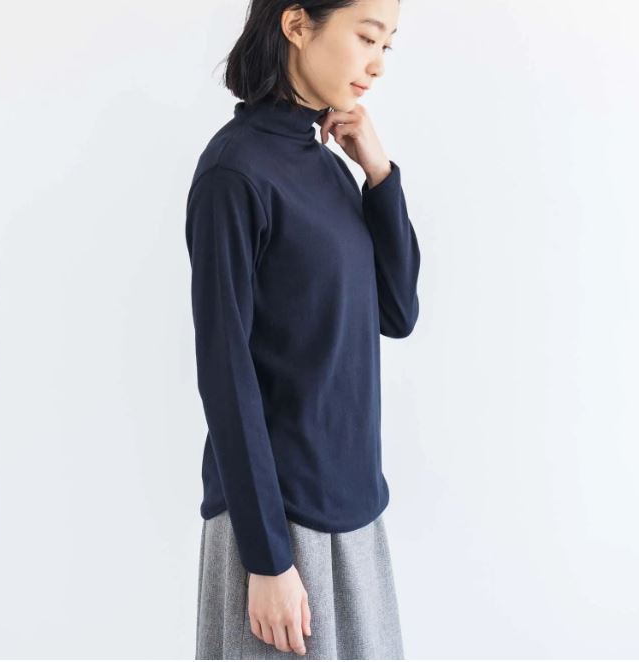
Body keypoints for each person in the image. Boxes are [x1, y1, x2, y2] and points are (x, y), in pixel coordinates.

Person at [185, 0, 419, 658]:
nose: (377, 64)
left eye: (387, 46)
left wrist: (379, 174)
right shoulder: (234, 174)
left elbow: (397, 311)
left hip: (355, 509)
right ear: (295, 24)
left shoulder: (330, 166)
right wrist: (266, 561)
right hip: (277, 528)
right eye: (367, 37)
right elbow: (225, 375)